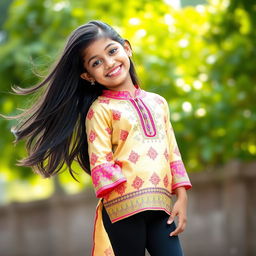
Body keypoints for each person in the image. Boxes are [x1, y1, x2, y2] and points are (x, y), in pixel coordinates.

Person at [4, 20, 192, 256]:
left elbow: (172, 152)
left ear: (127, 48)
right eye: (97, 62)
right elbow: (100, 161)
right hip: (124, 211)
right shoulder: (100, 110)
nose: (110, 63)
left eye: (112, 51)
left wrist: (181, 197)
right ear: (87, 75)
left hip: (161, 209)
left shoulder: (158, 103)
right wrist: (131, 189)